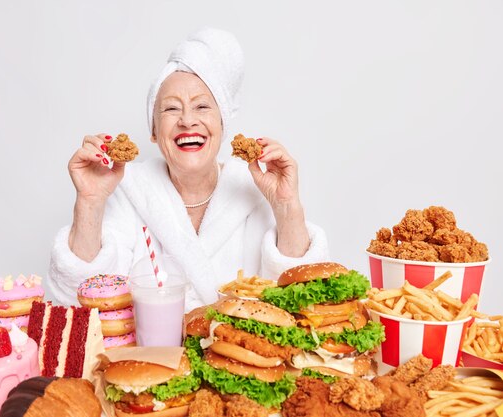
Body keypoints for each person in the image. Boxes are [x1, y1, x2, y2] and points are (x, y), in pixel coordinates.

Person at [48, 28, 329, 310]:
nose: (186, 120)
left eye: (202, 106)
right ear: (154, 131)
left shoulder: (256, 189)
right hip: (151, 354)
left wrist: (286, 206)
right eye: (171, 109)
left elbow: (306, 303)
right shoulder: (128, 191)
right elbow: (82, 302)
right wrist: (89, 202)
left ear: (222, 125)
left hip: (242, 352)